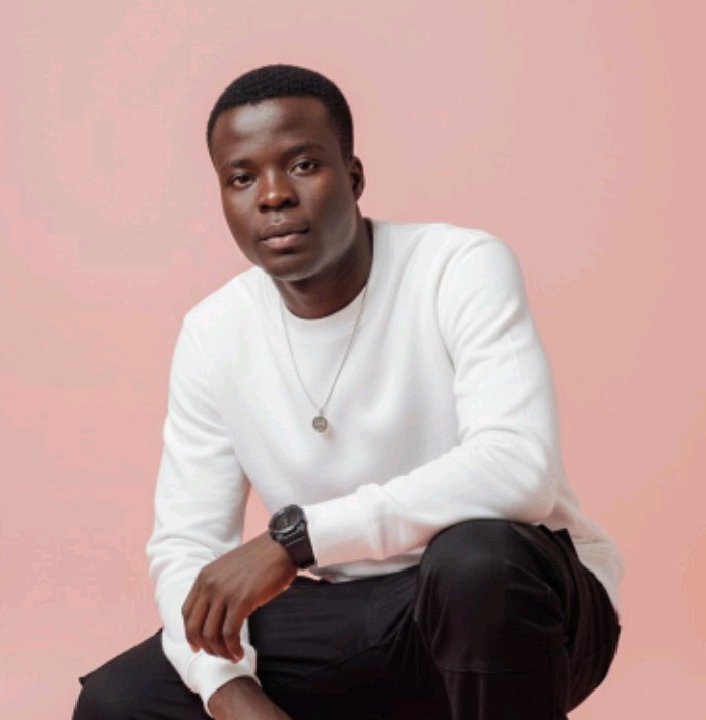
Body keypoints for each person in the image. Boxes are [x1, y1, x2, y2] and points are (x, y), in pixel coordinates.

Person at [72, 64, 623, 720]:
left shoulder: (458, 267)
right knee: (120, 702)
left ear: (354, 178)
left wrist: (296, 541)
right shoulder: (214, 333)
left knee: (475, 560)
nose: (273, 196)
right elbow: (188, 547)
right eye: (241, 178)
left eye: (303, 165)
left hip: (527, 607)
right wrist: (228, 689)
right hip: (360, 613)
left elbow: (517, 470)